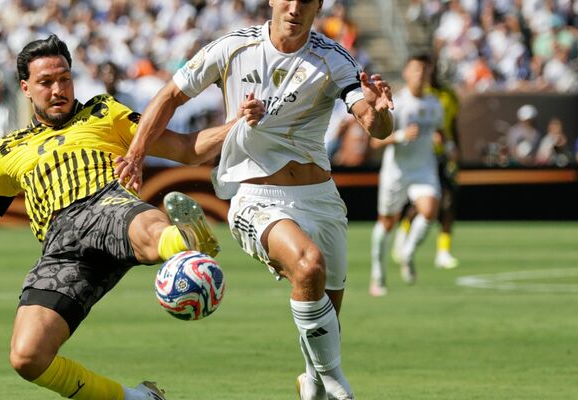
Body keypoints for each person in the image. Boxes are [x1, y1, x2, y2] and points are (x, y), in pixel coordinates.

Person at [0, 34, 264, 400]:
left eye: (64, 78)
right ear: (25, 87)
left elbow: (184, 149)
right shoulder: (8, 151)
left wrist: (239, 123)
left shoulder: (104, 111)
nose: (58, 89)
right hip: (61, 250)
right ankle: (139, 398)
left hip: (103, 204)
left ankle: (184, 244)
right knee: (27, 356)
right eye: (46, 82)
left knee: (139, 223)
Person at [116, 1, 394, 399]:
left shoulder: (333, 58)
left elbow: (373, 123)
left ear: (318, 6)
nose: (295, 7)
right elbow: (170, 95)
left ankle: (313, 384)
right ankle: (338, 386)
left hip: (321, 199)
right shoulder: (233, 47)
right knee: (308, 266)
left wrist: (382, 112)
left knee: (325, 315)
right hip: (255, 194)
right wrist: (137, 153)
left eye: (306, 0)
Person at [369, 54, 443, 297]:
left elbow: (440, 132)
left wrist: (443, 142)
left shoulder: (435, 104)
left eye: (424, 70)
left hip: (424, 170)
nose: (420, 75)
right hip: (396, 172)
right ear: (406, 73)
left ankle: (407, 253)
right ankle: (378, 275)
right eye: (416, 70)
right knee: (387, 224)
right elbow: (376, 142)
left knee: (430, 210)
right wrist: (400, 136)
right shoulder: (397, 103)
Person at [392, 57, 461, 270]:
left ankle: (443, 251)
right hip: (422, 157)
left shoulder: (450, 96)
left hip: (442, 156)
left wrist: (455, 150)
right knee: (418, 207)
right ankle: (402, 236)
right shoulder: (424, 97)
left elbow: (451, 126)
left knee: (448, 204)